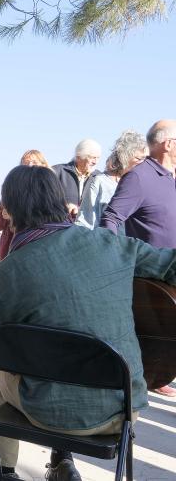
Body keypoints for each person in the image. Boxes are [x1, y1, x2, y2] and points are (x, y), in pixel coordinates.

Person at [0, 165, 171, 480]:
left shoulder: (5, 275)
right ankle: (62, 462)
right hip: (123, 409)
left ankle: (2, 469)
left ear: (9, 211)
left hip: (45, 413)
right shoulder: (112, 244)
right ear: (61, 202)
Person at [100, 119, 176, 397]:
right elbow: (110, 218)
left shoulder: (171, 176)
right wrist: (115, 260)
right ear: (169, 144)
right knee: (157, 336)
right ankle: (155, 377)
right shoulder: (140, 176)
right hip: (155, 278)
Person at [77, 130, 148, 229]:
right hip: (107, 241)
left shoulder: (144, 184)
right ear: (124, 157)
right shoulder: (101, 182)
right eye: (139, 159)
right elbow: (85, 222)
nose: (143, 163)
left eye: (145, 159)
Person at [0, 150, 48, 259]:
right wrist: (4, 216)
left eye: (34, 163)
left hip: (38, 249)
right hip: (10, 252)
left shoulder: (49, 191)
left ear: (44, 165)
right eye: (26, 163)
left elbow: (52, 219)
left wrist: (16, 215)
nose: (30, 166)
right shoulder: (11, 189)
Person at [53, 139, 101, 220]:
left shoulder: (99, 177)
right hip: (61, 227)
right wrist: (65, 207)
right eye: (92, 157)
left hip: (88, 230)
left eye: (98, 158)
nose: (95, 162)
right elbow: (44, 200)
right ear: (78, 157)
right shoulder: (57, 172)